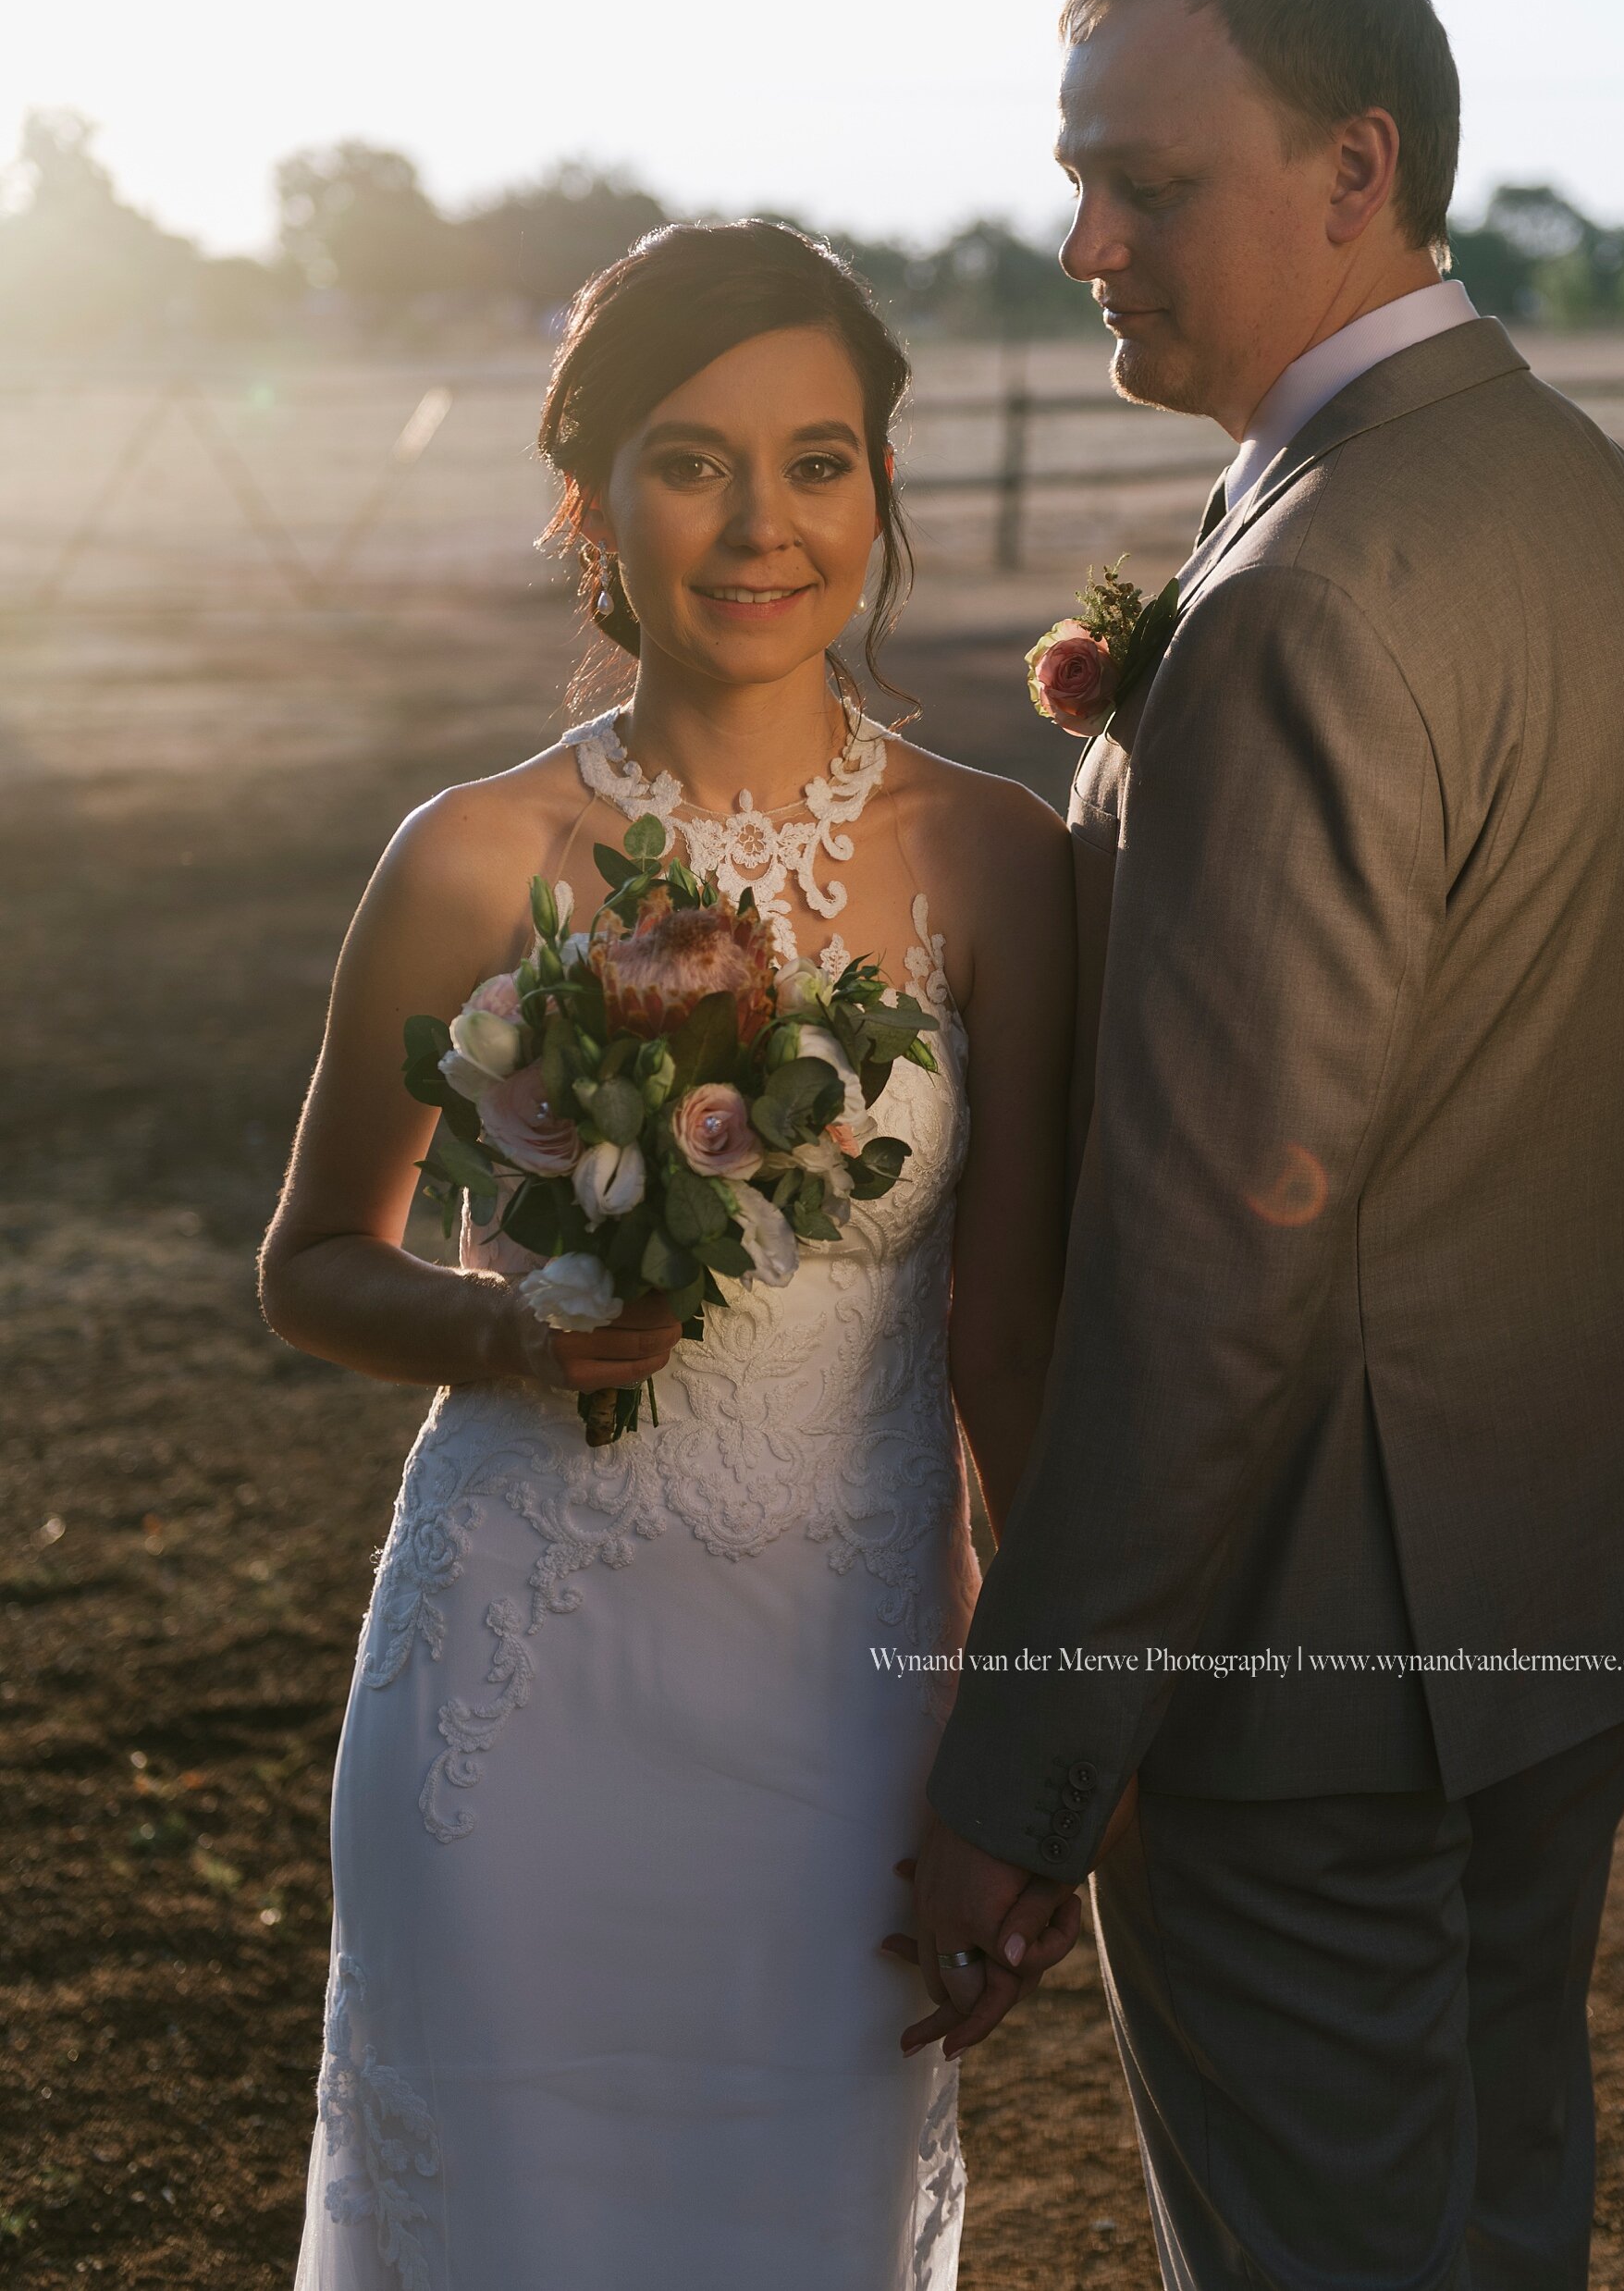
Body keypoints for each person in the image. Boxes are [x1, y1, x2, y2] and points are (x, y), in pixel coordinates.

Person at [907, 0, 1624, 2291]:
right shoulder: (1586, 504)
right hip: (1569, 1573)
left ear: (1356, 164)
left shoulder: (1308, 588)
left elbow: (1216, 1247)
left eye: (1147, 180)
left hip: (1322, 1659)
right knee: (1494, 2218)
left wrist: (1024, 1763)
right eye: (1083, 180)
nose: (1089, 240)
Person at [261, 219, 1075, 2290]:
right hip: (515, 1699)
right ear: (592, 497)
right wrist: (510, 1331)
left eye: (818, 460)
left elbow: (1009, 1342)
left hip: (847, 1711)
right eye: (692, 458)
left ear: (879, 489)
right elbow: (310, 1263)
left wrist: (1033, 1741)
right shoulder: (469, 857)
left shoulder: (992, 855)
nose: (760, 522)